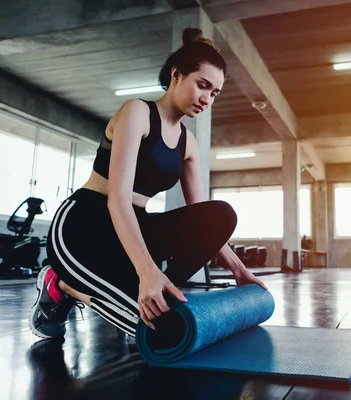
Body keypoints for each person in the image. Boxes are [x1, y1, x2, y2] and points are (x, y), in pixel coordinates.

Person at [29, 28, 266, 339]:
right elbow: (117, 198)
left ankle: (157, 289)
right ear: (177, 75)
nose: (207, 99)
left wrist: (239, 270)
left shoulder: (188, 144)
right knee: (161, 333)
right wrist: (146, 270)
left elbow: (202, 216)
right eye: (203, 86)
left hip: (134, 230)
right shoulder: (137, 113)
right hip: (85, 227)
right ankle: (60, 283)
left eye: (215, 93)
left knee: (220, 214)